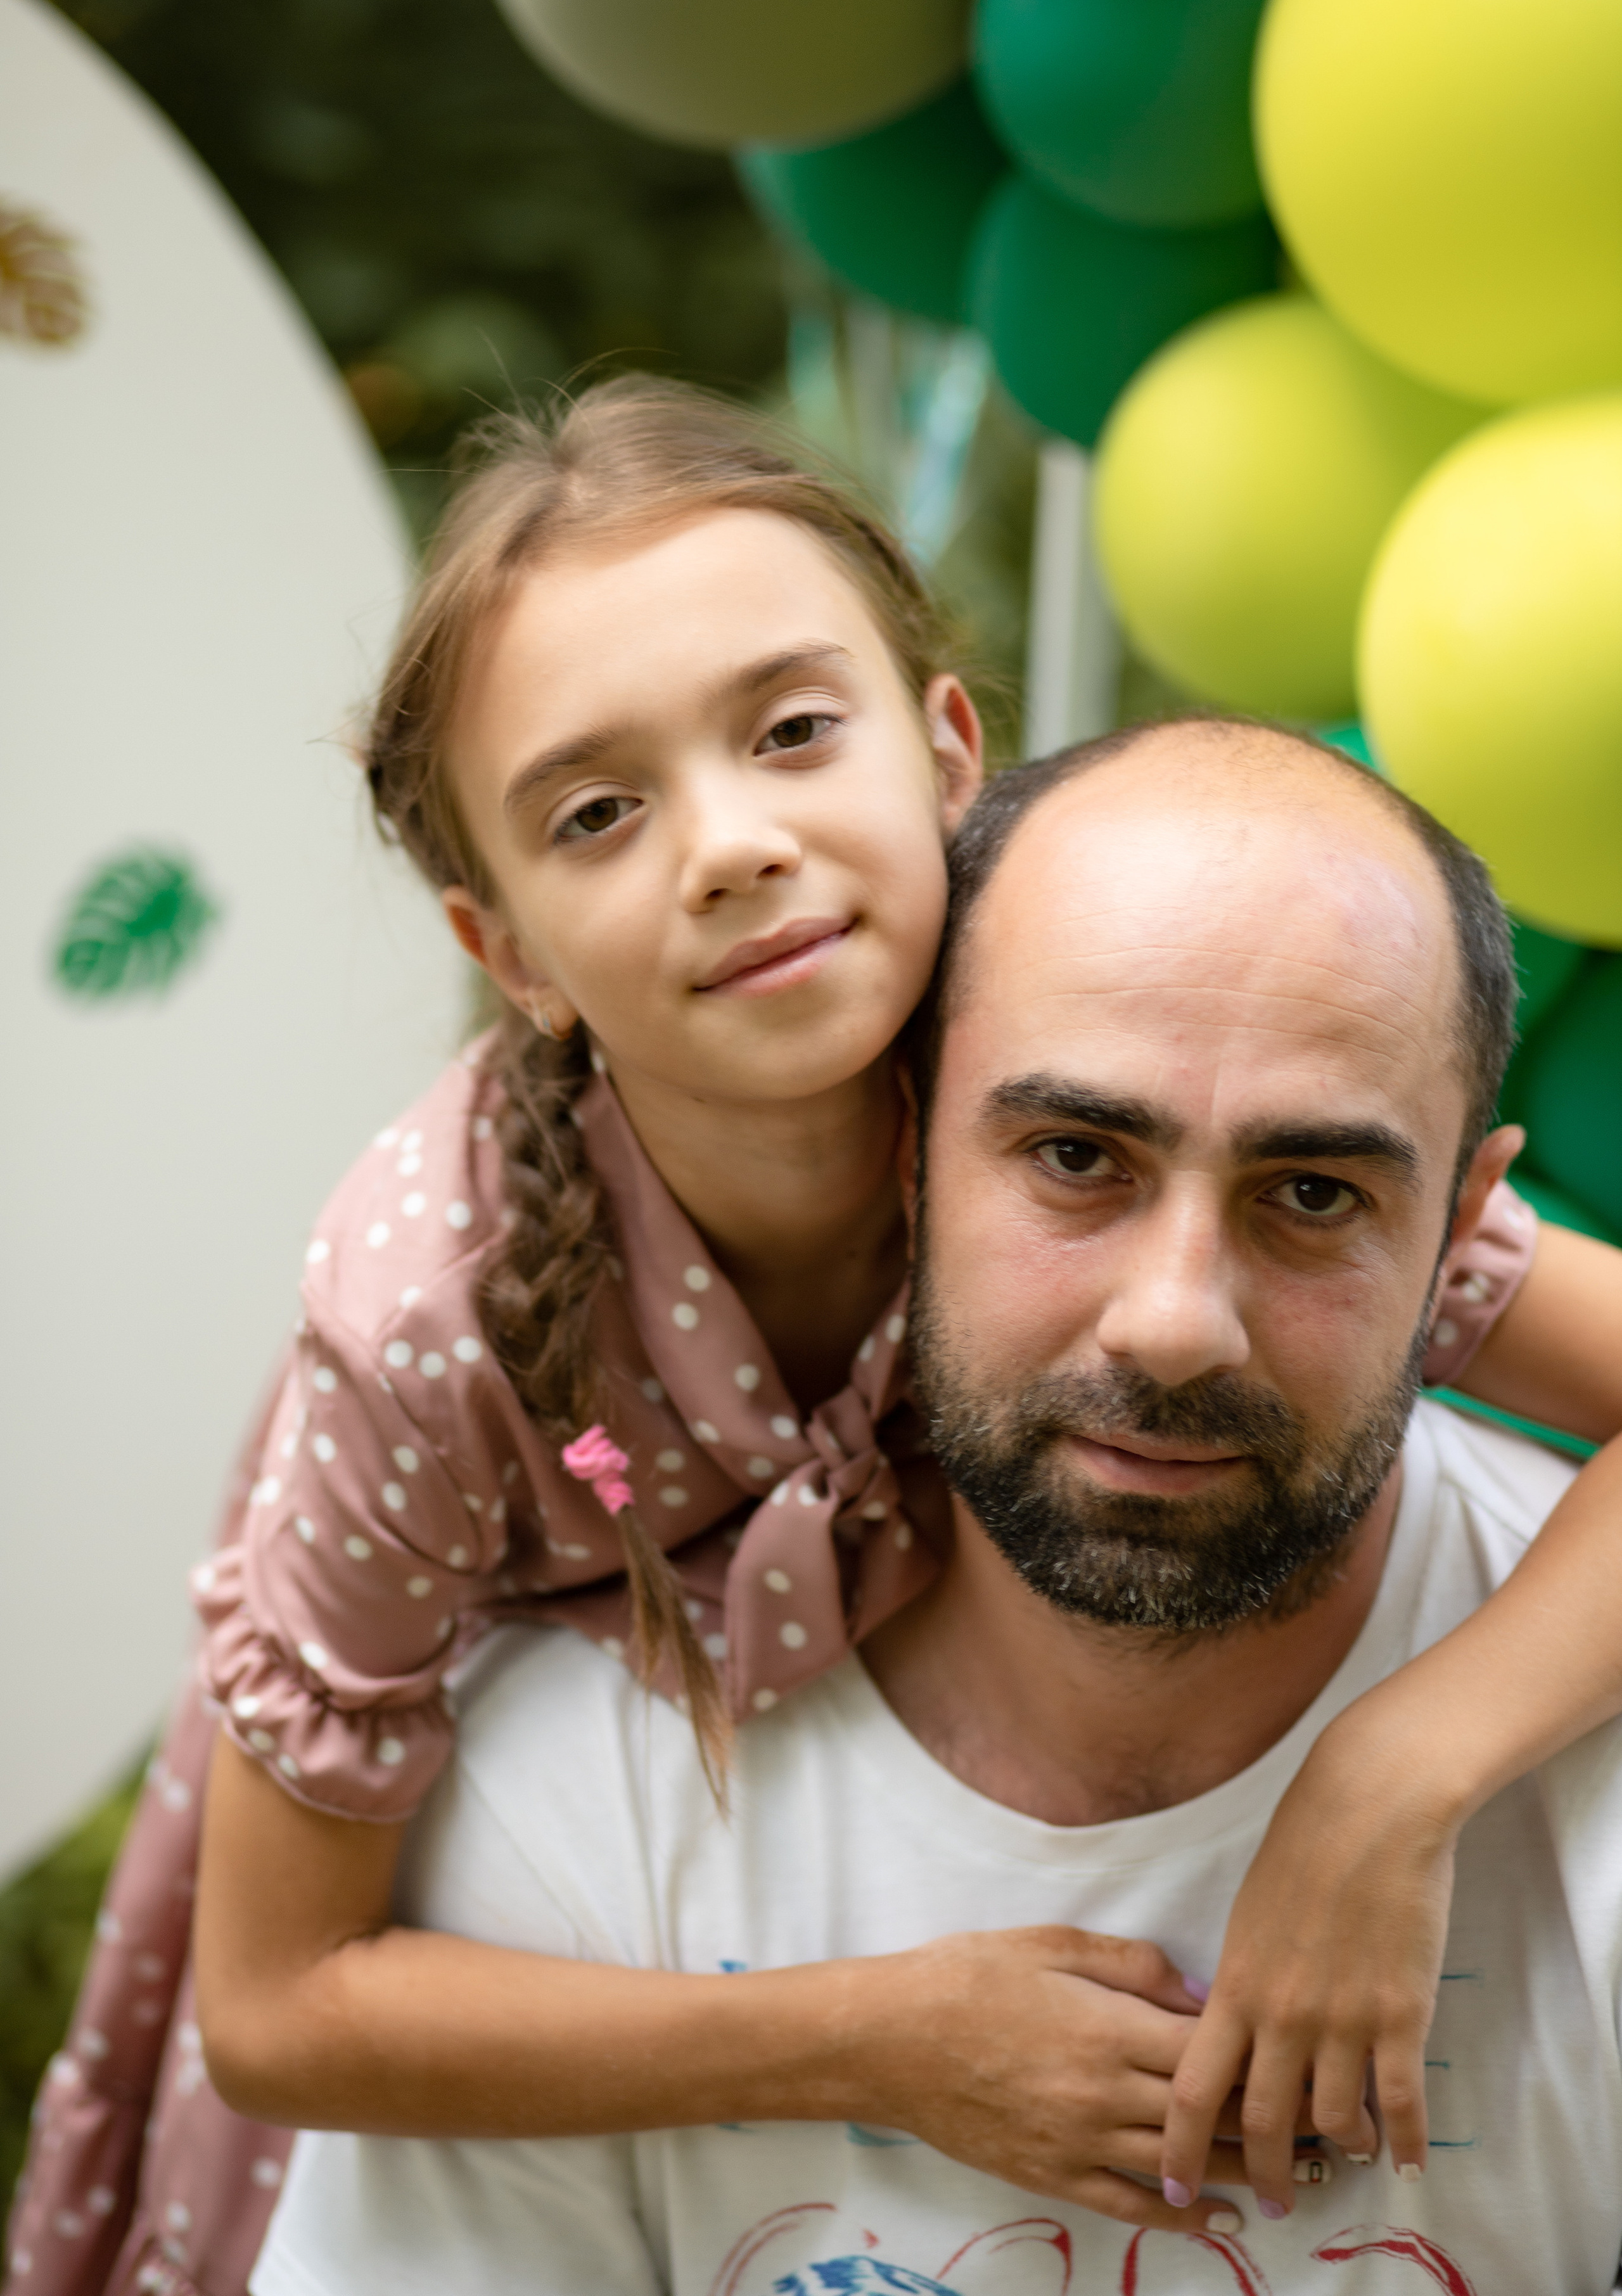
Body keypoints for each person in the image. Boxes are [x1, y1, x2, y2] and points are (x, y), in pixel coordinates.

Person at [4, 385, 1618, 2295]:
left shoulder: (1106, 1038)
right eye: (596, 814)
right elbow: (280, 2010)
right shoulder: (435, 1321)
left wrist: (1391, 1770)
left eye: (788, 732)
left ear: (947, 755)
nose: (730, 847)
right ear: (506, 950)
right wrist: (872, 2039)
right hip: (603, 1897)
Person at [247, 717, 1622, 2296]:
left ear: (1458, 1226)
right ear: (903, 1155)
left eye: (1313, 1194)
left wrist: (1387, 1774)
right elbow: (272, 2014)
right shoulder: (574, 1794)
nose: (1173, 1322)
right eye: (1074, 1156)